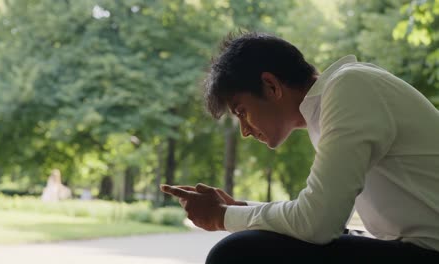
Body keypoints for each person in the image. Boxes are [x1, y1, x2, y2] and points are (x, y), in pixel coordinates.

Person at [160, 32, 439, 262]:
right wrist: (241, 208)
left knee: (238, 252)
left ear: (271, 86)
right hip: (412, 247)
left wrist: (223, 216)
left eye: (242, 111)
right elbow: (320, 215)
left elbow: (317, 223)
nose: (244, 130)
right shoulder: (335, 101)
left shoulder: (349, 88)